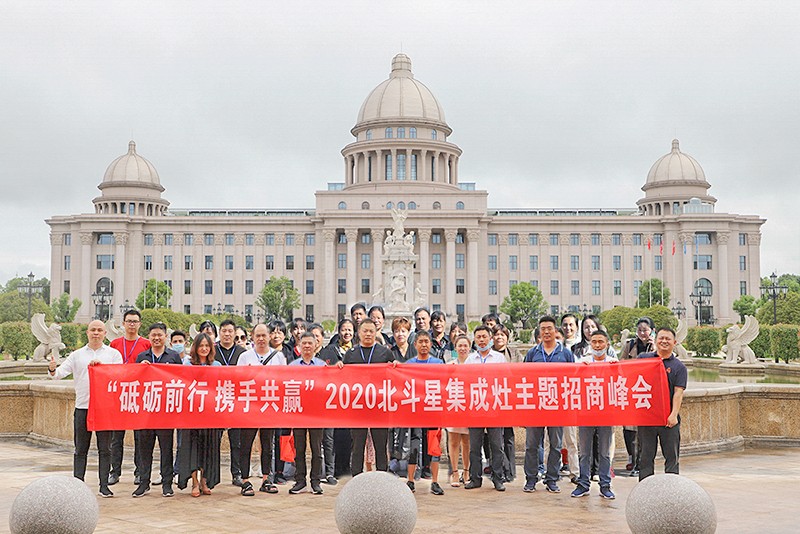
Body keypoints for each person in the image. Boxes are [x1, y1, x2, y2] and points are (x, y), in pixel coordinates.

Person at [48, 320, 122, 497]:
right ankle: (78, 485)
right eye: (93, 330)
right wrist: (52, 369)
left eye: (99, 330)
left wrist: (103, 368)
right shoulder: (77, 355)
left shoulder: (113, 354)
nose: (96, 333)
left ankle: (104, 486)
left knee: (105, 449)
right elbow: (59, 374)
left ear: (105, 333)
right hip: (83, 407)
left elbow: (119, 376)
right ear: (87, 332)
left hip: (104, 409)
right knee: (81, 449)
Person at [523, 316, 575, 494]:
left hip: (557, 406)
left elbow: (573, 379)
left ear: (555, 330)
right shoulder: (533, 353)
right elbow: (524, 378)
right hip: (536, 407)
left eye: (549, 328)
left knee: (555, 444)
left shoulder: (565, 354)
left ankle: (552, 479)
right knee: (531, 445)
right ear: (539, 331)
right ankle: (531, 479)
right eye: (543, 329)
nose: (546, 332)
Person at [337, 319, 396, 475]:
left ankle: (382, 478)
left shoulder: (385, 352)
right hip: (358, 407)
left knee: (380, 446)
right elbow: (342, 377)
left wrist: (396, 365)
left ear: (376, 333)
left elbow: (396, 374)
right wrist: (339, 367)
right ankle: (356, 477)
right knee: (357, 446)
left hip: (379, 406)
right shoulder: (351, 354)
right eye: (365, 331)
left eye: (371, 331)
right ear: (359, 333)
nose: (368, 334)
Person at [237, 323, 288, 496]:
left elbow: (284, 380)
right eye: (257, 335)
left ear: (269, 336)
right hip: (249, 407)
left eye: (263, 335)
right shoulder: (245, 357)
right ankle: (245, 481)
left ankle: (267, 479)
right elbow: (237, 380)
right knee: (246, 444)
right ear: (252, 337)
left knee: (268, 444)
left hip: (269, 405)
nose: (260, 339)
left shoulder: (278, 357)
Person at [132, 323, 183, 498]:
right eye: (153, 335)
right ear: (149, 337)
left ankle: (167, 484)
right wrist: (140, 369)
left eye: (160, 335)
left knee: (166, 449)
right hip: (146, 411)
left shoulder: (173, 356)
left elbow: (181, 379)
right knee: (144, 450)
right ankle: (143, 483)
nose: (156, 338)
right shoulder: (142, 357)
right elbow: (134, 381)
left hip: (165, 412)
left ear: (165, 337)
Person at [572, 329, 618, 500]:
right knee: (584, 452)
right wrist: (579, 370)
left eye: (601, 342)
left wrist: (616, 371)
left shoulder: (613, 363)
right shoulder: (582, 362)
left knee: (604, 452)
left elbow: (620, 385)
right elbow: (573, 383)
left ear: (607, 344)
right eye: (594, 342)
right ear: (590, 344)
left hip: (606, 414)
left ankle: (605, 485)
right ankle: (583, 484)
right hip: (586, 413)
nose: (597, 345)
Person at [175, 333, 222, 497]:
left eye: (207, 346)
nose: (204, 349)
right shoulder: (187, 364)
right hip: (191, 414)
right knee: (192, 449)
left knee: (208, 448)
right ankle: (194, 482)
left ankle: (204, 481)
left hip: (210, 414)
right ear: (195, 347)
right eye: (201, 345)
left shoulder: (217, 365)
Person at [638, 327, 687, 481]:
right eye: (661, 338)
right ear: (655, 340)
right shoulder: (644, 359)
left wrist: (673, 415)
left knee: (672, 457)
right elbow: (627, 374)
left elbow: (678, 393)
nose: (664, 341)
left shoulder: (679, 367)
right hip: (647, 419)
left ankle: (671, 488)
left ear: (674, 342)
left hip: (668, 419)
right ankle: (644, 488)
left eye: (668, 339)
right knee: (645, 457)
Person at [108, 309, 151, 486]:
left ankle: (139, 472)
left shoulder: (146, 344)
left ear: (140, 324)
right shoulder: (115, 344)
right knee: (116, 437)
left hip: (139, 396)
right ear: (123, 324)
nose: (132, 324)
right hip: (119, 396)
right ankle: (114, 471)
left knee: (140, 438)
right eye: (129, 321)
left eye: (135, 321)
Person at [464, 325, 507, 492]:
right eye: (478, 337)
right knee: (475, 447)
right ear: (474, 340)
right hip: (475, 408)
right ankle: (475, 478)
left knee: (497, 446)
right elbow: (464, 382)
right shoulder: (470, 360)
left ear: (490, 338)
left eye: (484, 337)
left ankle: (498, 479)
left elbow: (505, 381)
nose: (481, 340)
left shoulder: (499, 358)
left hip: (494, 408)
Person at [404, 331, 445, 495]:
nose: (423, 345)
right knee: (414, 444)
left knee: (434, 446)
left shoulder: (438, 363)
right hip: (415, 410)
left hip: (433, 409)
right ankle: (410, 480)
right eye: (420, 342)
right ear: (415, 344)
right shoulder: (408, 364)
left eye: (426, 342)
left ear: (431, 344)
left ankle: (435, 482)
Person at [287, 332, 327, 495]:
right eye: (304, 343)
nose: (307, 346)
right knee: (299, 448)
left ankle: (315, 481)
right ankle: (300, 481)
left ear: (316, 345)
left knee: (317, 449)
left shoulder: (322, 366)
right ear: (299, 346)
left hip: (317, 414)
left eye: (310, 343)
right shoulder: (293, 366)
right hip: (298, 413)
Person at [318, 318, 355, 483]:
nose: (347, 333)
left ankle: (346, 468)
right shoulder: (330, 351)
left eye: (349, 330)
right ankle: (331, 471)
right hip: (332, 400)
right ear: (339, 331)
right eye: (344, 329)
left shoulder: (357, 351)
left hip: (351, 400)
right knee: (331, 437)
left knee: (348, 436)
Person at [621, 317, 656, 474]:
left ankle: (639, 462)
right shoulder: (630, 345)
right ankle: (631, 457)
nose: (642, 333)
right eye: (640, 330)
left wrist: (653, 346)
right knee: (628, 427)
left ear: (652, 331)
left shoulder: (655, 346)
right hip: (631, 389)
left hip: (647, 391)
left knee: (642, 429)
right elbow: (621, 363)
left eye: (645, 330)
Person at [214, 319, 247, 487]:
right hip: (216, 401)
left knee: (237, 442)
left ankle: (237, 473)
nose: (227, 334)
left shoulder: (243, 353)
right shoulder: (212, 350)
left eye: (230, 331)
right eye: (224, 331)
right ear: (219, 333)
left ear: (235, 334)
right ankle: (212, 474)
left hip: (236, 402)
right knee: (214, 441)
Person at [491, 324, 516, 483]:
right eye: (497, 334)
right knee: (495, 440)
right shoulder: (488, 354)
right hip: (492, 400)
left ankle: (511, 471)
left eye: (503, 334)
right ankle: (500, 470)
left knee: (508, 436)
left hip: (509, 399)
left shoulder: (514, 353)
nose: (499, 337)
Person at [446, 334, 471, 487]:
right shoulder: (450, 365)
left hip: (469, 407)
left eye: (465, 345)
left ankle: (466, 472)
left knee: (467, 442)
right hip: (453, 406)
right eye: (459, 345)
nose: (462, 348)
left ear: (470, 347)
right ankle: (455, 472)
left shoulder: (474, 364)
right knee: (453, 441)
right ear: (455, 348)